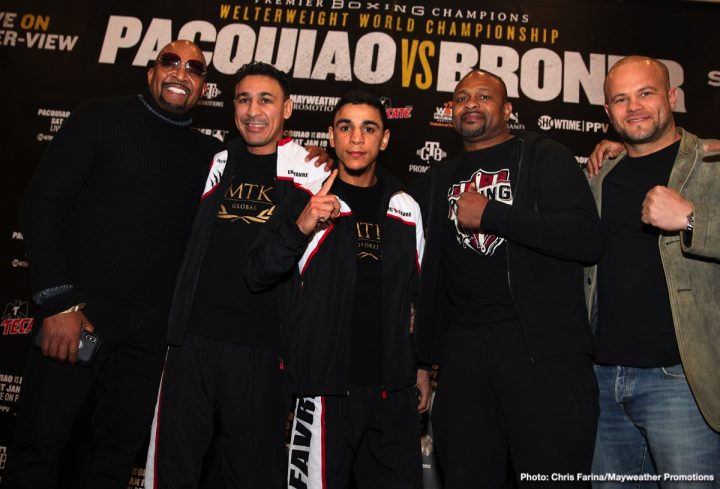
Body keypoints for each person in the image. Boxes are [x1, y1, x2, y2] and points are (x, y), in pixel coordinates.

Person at [6, 41, 223, 489]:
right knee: (38, 448)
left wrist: (311, 162)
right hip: (77, 317)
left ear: (203, 86)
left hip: (148, 337)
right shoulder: (98, 119)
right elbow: (41, 207)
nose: (182, 73)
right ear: (150, 73)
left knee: (114, 458)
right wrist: (59, 303)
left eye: (195, 69)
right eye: (171, 62)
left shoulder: (209, 155)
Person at [410, 69, 603, 488]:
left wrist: (494, 215)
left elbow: (586, 238)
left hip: (541, 350)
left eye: (484, 96)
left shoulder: (543, 156)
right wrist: (423, 360)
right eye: (461, 99)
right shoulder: (438, 178)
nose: (471, 104)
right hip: (465, 355)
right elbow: (425, 273)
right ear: (450, 111)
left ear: (508, 109)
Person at [143, 61, 328, 489]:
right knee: (173, 464)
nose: (253, 110)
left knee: (252, 471)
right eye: (243, 99)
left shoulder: (314, 171)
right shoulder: (214, 159)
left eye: (266, 99)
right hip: (192, 339)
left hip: (262, 347)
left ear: (288, 108)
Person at [245, 91, 430, 489]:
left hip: (393, 394)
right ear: (331, 135)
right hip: (324, 392)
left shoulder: (405, 207)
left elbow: (417, 298)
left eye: (369, 128)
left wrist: (420, 367)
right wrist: (303, 224)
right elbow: (257, 273)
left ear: (385, 139)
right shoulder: (305, 197)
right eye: (345, 127)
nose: (356, 139)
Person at [585, 55, 720, 484]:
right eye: (621, 99)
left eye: (646, 93)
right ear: (607, 113)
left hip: (680, 381)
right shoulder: (601, 174)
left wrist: (692, 220)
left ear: (672, 97)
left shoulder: (713, 164)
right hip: (602, 379)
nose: (635, 107)